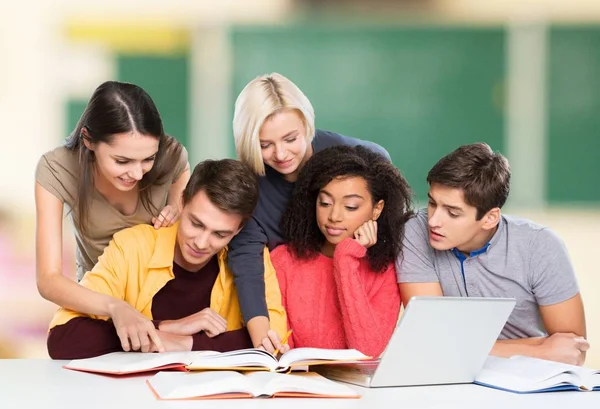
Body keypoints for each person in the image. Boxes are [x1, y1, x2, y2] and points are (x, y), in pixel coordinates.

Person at [47, 159, 288, 360]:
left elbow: (271, 341)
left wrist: (185, 343)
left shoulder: (251, 258)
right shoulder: (132, 246)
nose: (202, 243)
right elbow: (63, 338)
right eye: (196, 224)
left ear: (238, 230)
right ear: (182, 201)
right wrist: (163, 328)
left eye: (220, 234)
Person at [228, 72, 392, 350]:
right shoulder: (250, 189)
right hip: (295, 309)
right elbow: (247, 264)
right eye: (265, 145)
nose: (280, 154)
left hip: (359, 295)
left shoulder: (356, 157)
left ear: (306, 123)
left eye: (291, 138)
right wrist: (261, 333)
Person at [396, 143, 589, 366]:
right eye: (432, 203)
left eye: (452, 213)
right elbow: (433, 339)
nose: (433, 221)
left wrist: (459, 349)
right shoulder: (414, 231)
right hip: (449, 374)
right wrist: (539, 350)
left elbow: (573, 350)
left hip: (528, 379)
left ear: (490, 218)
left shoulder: (540, 245)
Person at [35, 81, 190, 353]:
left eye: (148, 159)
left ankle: (163, 330)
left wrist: (178, 206)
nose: (138, 174)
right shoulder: (57, 169)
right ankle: (162, 332)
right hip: (101, 302)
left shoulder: (170, 156)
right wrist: (116, 308)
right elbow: (48, 279)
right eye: (122, 161)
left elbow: (182, 175)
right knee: (67, 340)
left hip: (164, 295)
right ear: (88, 140)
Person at [271, 145, 411, 357]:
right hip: (297, 385)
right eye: (325, 203)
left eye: (351, 207)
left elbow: (367, 351)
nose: (334, 216)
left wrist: (345, 259)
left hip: (359, 388)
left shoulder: (386, 270)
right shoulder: (284, 260)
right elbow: (282, 353)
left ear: (377, 209)